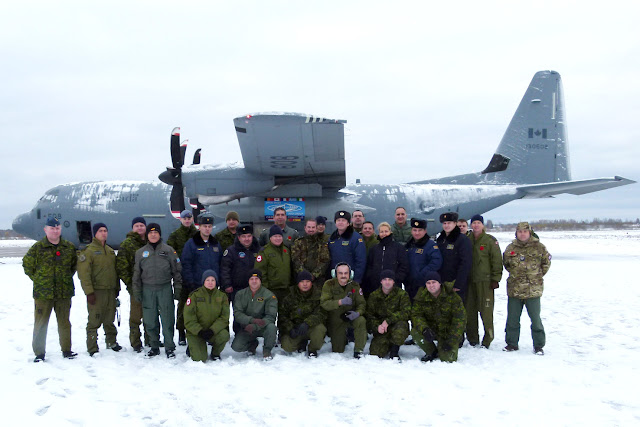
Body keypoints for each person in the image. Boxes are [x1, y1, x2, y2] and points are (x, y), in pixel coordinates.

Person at [23, 217, 78, 362]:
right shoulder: (38, 248)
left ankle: (67, 350)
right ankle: (39, 353)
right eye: (52, 228)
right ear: (45, 230)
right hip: (43, 294)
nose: (55, 231)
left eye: (57, 228)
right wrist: (40, 279)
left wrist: (64, 279)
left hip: (63, 292)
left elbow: (73, 266)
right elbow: (27, 265)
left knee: (65, 323)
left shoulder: (68, 247)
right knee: (41, 323)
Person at [132, 223, 182, 358]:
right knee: (150, 319)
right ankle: (154, 346)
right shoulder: (140, 252)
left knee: (167, 318)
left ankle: (169, 347)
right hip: (148, 289)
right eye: (150, 233)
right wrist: (136, 291)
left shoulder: (169, 250)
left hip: (164, 288)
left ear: (160, 234)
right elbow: (136, 273)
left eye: (156, 232)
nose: (153, 235)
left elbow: (177, 271)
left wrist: (177, 288)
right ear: (147, 235)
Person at [502, 222, 551, 355]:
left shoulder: (539, 247)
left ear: (529, 233)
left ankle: (538, 345)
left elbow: (546, 263)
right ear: (516, 233)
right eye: (520, 231)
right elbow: (506, 264)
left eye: (525, 231)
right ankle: (512, 344)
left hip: (533, 290)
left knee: (535, 320)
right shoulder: (510, 248)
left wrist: (536, 276)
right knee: (512, 319)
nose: (522, 234)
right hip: (515, 290)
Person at [77, 223, 122, 356]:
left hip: (110, 290)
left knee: (109, 319)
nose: (103, 233)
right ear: (95, 233)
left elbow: (115, 271)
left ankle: (111, 342)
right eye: (100, 231)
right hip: (97, 292)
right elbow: (84, 274)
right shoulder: (88, 251)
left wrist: (116, 288)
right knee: (94, 320)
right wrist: (89, 292)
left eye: (105, 231)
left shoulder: (109, 251)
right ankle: (92, 347)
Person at [411, 271, 466, 362]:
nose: (431, 285)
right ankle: (431, 351)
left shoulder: (452, 297)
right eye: (428, 283)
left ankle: (444, 348)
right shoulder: (421, 296)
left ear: (439, 283)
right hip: (431, 330)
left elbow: (460, 319)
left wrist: (451, 341)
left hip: (448, 332)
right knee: (415, 332)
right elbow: (416, 315)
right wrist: (424, 329)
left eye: (434, 282)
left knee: (448, 359)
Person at [466, 214, 503, 348]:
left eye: (478, 223)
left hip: (485, 282)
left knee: (486, 311)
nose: (476, 225)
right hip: (470, 281)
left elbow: (497, 261)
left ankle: (487, 339)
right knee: (470, 311)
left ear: (482, 225)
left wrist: (495, 278)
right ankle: (472, 338)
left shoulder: (489, 241)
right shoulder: (467, 239)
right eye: (473, 223)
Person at [116, 216, 149, 352]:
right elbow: (122, 266)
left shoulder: (151, 241)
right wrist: (130, 284)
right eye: (137, 226)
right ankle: (135, 342)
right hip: (136, 287)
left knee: (150, 314)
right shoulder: (127, 244)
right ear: (133, 228)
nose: (140, 228)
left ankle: (150, 339)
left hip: (151, 286)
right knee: (136, 316)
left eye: (142, 225)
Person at [320, 262, 367, 358]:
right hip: (336, 319)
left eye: (346, 273)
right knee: (338, 350)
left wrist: (357, 313)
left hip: (351, 316)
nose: (343, 276)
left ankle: (358, 350)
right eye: (340, 273)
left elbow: (362, 304)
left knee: (361, 320)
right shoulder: (329, 285)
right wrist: (340, 302)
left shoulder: (355, 285)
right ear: (335, 274)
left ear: (350, 274)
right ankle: (342, 338)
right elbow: (324, 303)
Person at [183, 270, 230, 362]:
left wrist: (213, 330)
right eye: (207, 280)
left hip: (212, 331)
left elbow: (224, 317)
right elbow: (189, 318)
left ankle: (215, 353)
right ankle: (193, 347)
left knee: (224, 335)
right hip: (196, 332)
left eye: (213, 280)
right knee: (200, 359)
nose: (210, 283)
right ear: (203, 281)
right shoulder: (195, 296)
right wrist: (199, 331)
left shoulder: (222, 296)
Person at [167, 209, 198, 346]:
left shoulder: (197, 235)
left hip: (196, 275)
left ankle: (197, 332)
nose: (187, 220)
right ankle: (181, 333)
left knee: (197, 305)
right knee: (182, 306)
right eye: (184, 218)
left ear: (192, 219)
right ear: (180, 219)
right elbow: (169, 255)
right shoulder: (175, 236)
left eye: (189, 218)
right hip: (181, 276)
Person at [231, 269, 278, 360]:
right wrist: (251, 321)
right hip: (247, 327)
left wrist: (255, 326)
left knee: (272, 328)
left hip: (263, 326)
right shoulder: (240, 294)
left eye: (256, 279)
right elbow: (237, 314)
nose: (254, 281)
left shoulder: (269, 295)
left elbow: (271, 317)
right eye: (251, 279)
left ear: (260, 280)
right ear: (248, 281)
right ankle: (252, 344)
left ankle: (267, 351)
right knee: (236, 347)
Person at [279, 271, 327, 357]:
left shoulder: (318, 295)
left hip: (310, 326)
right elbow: (282, 315)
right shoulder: (289, 295)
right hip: (295, 327)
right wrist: (290, 328)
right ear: (298, 283)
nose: (305, 284)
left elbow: (321, 313)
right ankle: (301, 343)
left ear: (311, 283)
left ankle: (312, 349)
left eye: (308, 281)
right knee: (287, 347)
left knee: (320, 330)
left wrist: (307, 323)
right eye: (302, 282)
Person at [365, 270, 411, 360]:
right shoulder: (374, 296)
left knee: (401, 328)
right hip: (382, 329)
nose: (387, 282)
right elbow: (369, 315)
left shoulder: (402, 294)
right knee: (375, 353)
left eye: (390, 279)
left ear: (393, 281)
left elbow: (406, 312)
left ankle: (394, 351)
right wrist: (377, 326)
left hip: (396, 325)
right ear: (381, 281)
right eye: (384, 279)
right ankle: (388, 343)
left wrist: (388, 320)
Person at [181, 213, 222, 300]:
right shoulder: (191, 244)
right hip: (197, 287)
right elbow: (186, 265)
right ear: (199, 227)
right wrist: (191, 284)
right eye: (205, 226)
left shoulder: (216, 244)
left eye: (209, 226)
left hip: (213, 287)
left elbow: (220, 264)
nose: (207, 229)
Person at [363, 222, 409, 299]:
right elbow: (369, 266)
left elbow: (404, 265)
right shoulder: (374, 249)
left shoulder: (398, 248)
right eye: (381, 231)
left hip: (394, 285)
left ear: (390, 232)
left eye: (386, 231)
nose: (384, 234)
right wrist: (372, 277)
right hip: (376, 285)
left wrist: (397, 278)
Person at [436, 212, 472, 303]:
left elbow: (465, 263)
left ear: (455, 224)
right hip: (442, 283)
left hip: (455, 283)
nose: (446, 225)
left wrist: (458, 284)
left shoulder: (462, 240)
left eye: (449, 223)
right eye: (444, 223)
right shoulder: (441, 240)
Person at [220, 224, 260, 304]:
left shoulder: (259, 250)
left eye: (249, 236)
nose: (247, 239)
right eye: (243, 236)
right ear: (239, 238)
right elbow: (225, 268)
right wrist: (227, 284)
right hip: (237, 290)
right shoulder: (231, 251)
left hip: (255, 290)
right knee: (239, 314)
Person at [404, 218, 442, 301]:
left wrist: (422, 274)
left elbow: (436, 262)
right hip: (409, 285)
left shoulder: (430, 245)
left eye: (420, 230)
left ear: (425, 231)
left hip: (423, 285)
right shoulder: (409, 245)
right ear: (411, 231)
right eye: (415, 230)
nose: (417, 233)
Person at [254, 225, 293, 307]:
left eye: (279, 236)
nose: (278, 238)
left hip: (285, 290)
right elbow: (260, 271)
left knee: (284, 315)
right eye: (275, 236)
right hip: (271, 290)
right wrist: (265, 288)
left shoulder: (286, 250)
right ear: (270, 238)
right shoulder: (264, 252)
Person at [328, 210, 366, 284]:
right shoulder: (332, 239)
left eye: (343, 220)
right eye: (338, 220)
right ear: (335, 223)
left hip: (350, 279)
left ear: (348, 223)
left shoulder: (355, 238)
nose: (340, 222)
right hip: (334, 279)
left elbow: (361, 261)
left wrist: (357, 279)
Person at [291, 218, 331, 289]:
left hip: (318, 281)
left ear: (316, 228)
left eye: (313, 227)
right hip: (301, 280)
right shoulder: (298, 243)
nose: (311, 229)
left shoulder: (322, 243)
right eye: (309, 227)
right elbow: (295, 260)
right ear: (305, 228)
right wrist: (304, 275)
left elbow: (325, 261)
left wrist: (314, 275)